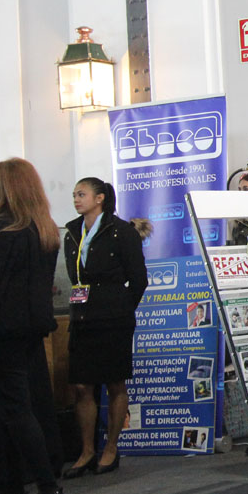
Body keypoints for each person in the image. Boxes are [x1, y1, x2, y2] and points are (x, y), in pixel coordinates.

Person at [0, 158, 66, 494]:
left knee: (13, 410)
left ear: (1, 189)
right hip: (29, 330)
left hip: (0, 333)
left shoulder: (0, 231)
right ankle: (13, 487)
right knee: (10, 409)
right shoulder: (42, 230)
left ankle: (46, 487)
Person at [62, 177, 149, 478]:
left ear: (99, 198)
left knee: (114, 382)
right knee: (82, 385)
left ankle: (111, 447)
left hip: (113, 317)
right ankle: (87, 451)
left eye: (82, 194)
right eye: (74, 194)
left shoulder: (121, 231)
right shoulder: (72, 232)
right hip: (82, 316)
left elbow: (139, 279)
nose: (76, 199)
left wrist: (122, 307)